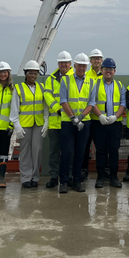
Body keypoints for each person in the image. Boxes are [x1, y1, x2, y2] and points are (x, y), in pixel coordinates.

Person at [59, 52, 96, 193]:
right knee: (67, 152)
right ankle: (63, 182)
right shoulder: (66, 80)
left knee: (80, 152)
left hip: (84, 122)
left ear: (86, 66)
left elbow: (91, 103)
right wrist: (73, 117)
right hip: (68, 122)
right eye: (79, 65)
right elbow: (63, 101)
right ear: (74, 66)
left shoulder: (91, 82)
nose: (81, 68)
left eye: (84, 66)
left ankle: (77, 181)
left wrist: (80, 117)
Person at [90, 57, 126, 188]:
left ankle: (114, 177)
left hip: (114, 124)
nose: (108, 72)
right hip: (98, 123)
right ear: (102, 70)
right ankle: (100, 178)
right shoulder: (95, 84)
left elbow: (123, 103)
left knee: (114, 150)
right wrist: (100, 115)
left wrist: (116, 117)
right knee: (100, 150)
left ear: (114, 71)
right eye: (106, 69)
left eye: (111, 69)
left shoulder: (120, 85)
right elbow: (91, 102)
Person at [10, 60, 45, 188]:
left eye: (35, 73)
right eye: (30, 73)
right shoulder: (18, 88)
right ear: (25, 73)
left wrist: (46, 122)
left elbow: (45, 106)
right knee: (25, 151)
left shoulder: (41, 87)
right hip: (24, 124)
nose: (33, 76)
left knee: (38, 150)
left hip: (38, 123)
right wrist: (17, 125)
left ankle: (35, 177)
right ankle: (25, 178)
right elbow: (14, 109)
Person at [43, 51, 73, 188]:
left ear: (70, 64)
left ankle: (69, 176)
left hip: (69, 122)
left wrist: (67, 111)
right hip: (55, 123)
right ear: (58, 64)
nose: (64, 65)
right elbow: (48, 96)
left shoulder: (76, 77)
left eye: (66, 62)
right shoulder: (51, 79)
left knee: (69, 151)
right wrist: (58, 109)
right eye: (61, 62)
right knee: (54, 152)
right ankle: (54, 176)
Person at [83, 48, 104, 179]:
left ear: (102, 60)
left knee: (101, 146)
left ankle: (102, 171)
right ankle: (83, 170)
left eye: (99, 58)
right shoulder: (85, 75)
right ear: (90, 61)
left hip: (100, 118)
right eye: (94, 58)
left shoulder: (106, 74)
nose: (97, 60)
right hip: (87, 117)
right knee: (85, 146)